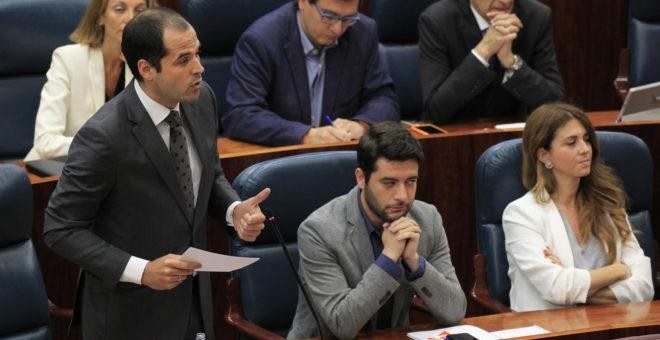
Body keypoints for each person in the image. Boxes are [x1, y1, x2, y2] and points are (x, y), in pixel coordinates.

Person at [43, 7, 270, 340]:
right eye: (183, 60)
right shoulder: (104, 136)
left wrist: (233, 211)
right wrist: (141, 270)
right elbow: (60, 228)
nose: (199, 69)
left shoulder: (200, 99)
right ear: (146, 69)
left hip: (195, 306)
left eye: (198, 54)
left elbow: (209, 175)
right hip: (129, 316)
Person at [288, 122, 466, 339]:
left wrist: (415, 262)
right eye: (389, 182)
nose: (402, 195)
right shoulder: (318, 231)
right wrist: (389, 259)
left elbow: (455, 311)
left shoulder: (427, 219)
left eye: (411, 181)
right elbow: (342, 325)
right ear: (361, 178)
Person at [502, 103, 654, 311]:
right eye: (571, 142)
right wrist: (619, 270)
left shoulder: (608, 203)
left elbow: (644, 286)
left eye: (587, 139)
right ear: (544, 155)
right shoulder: (521, 214)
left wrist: (574, 288)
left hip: (610, 325)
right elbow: (557, 287)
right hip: (551, 330)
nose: (585, 149)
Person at [223, 0, 400, 146]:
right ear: (302, 3)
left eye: (348, 18)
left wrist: (362, 125)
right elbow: (241, 114)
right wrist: (305, 135)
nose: (338, 29)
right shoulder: (261, 40)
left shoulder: (363, 32)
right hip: (281, 162)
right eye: (329, 16)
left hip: (343, 159)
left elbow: (383, 97)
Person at [25, 0, 157, 161]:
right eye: (120, 9)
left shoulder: (147, 67)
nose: (130, 18)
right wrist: (107, 143)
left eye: (139, 10)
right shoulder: (67, 59)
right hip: (55, 170)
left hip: (117, 172)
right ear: (100, 16)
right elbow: (45, 143)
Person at [418, 0, 565, 124]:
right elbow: (434, 112)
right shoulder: (438, 20)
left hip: (516, 139)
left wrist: (511, 62)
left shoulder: (536, 16)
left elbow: (556, 104)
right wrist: (483, 51)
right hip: (455, 141)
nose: (505, 1)